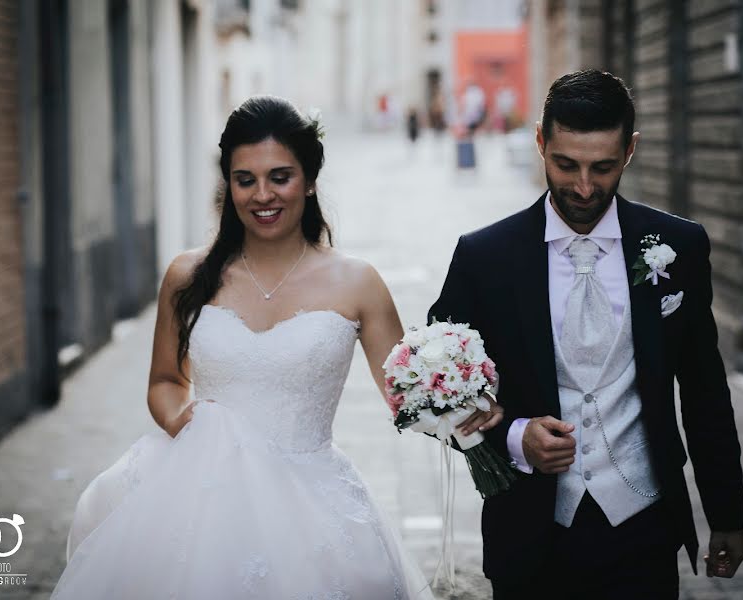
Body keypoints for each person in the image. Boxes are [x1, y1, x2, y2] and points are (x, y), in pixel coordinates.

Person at [52, 95, 503, 599]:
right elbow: (165, 382)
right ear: (229, 185)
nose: (262, 195)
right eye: (245, 179)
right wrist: (195, 429)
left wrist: (465, 405)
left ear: (309, 181)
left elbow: (408, 393)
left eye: (280, 176)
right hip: (201, 498)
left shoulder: (357, 282)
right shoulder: (187, 275)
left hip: (315, 504)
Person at [429, 70, 743, 599]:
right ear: (540, 142)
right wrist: (512, 438)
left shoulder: (678, 246)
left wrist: (727, 514)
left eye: (602, 167)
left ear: (630, 150)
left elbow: (705, 391)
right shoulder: (484, 257)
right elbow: (434, 388)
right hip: (529, 533)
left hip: (644, 527)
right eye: (565, 164)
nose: (582, 186)